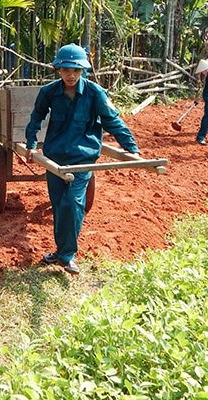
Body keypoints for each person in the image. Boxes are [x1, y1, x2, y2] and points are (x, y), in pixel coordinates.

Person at [25, 44, 141, 275]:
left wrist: (131, 147)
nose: (71, 75)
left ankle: (67, 256)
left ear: (83, 71)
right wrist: (30, 143)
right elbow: (36, 116)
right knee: (59, 204)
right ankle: (61, 252)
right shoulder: (49, 92)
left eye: (76, 70)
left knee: (73, 204)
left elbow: (112, 121)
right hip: (55, 157)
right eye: (66, 69)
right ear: (58, 69)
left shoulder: (95, 93)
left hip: (82, 158)